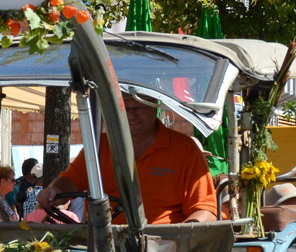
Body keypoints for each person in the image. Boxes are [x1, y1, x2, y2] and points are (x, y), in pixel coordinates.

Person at [36, 93, 218, 224]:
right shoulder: (99, 147)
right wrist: (54, 191)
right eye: (124, 108)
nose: (131, 114)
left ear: (155, 104)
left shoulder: (184, 149)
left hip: (165, 247)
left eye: (138, 107)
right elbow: (71, 180)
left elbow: (205, 210)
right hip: (106, 245)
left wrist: (182, 237)